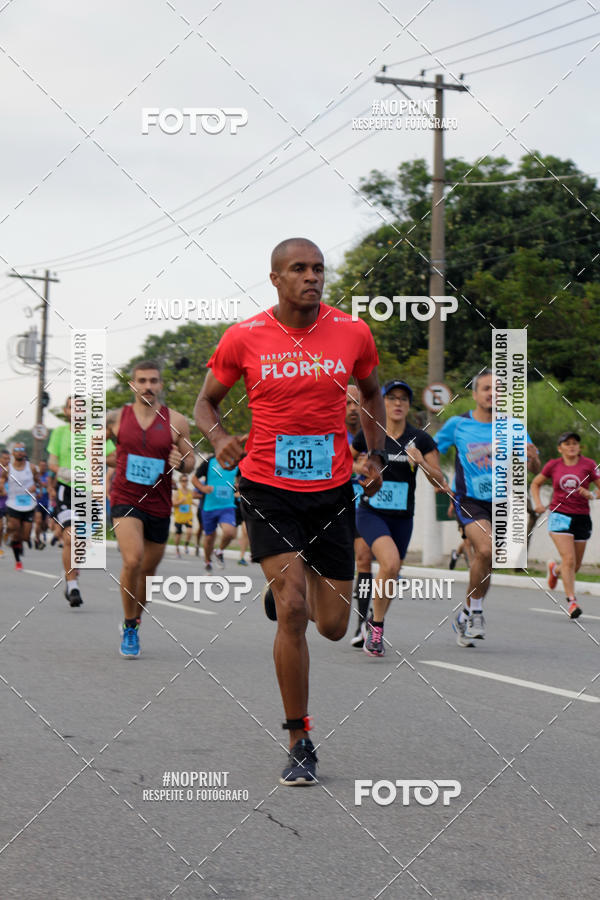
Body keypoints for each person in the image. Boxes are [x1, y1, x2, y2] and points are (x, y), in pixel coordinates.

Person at [194, 237, 385, 785]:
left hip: (332, 490)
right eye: (299, 269)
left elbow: (372, 393)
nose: (312, 277)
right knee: (295, 609)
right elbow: (205, 401)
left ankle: (285, 589)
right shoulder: (244, 336)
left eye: (318, 268)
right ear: (275, 278)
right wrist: (220, 439)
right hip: (266, 487)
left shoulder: (352, 331)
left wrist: (374, 455)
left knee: (334, 626)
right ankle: (300, 739)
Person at [435, 369, 541, 647]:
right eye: (486, 388)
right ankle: (477, 613)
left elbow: (534, 466)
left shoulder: (514, 426)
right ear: (475, 394)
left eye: (498, 389)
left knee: (489, 561)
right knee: (485, 549)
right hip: (469, 500)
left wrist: (532, 459)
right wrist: (437, 478)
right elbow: (432, 450)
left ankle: (466, 615)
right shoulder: (458, 425)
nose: (493, 393)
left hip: (503, 502)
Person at [352, 380, 450, 656]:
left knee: (392, 572)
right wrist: (361, 467)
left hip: (403, 518)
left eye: (403, 399)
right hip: (371, 512)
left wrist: (422, 463)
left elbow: (439, 481)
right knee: (390, 562)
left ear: (408, 406)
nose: (397, 403)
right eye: (392, 397)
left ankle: (375, 621)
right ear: (382, 402)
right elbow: (343, 461)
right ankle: (376, 629)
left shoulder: (420, 439)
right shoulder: (370, 434)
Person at [107, 361, 194, 658]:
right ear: (133, 385)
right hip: (125, 498)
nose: (147, 386)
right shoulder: (116, 418)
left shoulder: (177, 421)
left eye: (153, 381)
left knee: (147, 573)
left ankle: (135, 618)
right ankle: (130, 626)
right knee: (133, 560)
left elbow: (191, 461)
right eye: (142, 381)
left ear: (160, 385)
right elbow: (90, 445)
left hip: (159, 503)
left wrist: (181, 463)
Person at [531, 431, 600, 619]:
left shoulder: (588, 465)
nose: (571, 446)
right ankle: (572, 602)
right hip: (559, 516)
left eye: (575, 443)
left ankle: (555, 570)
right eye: (567, 443)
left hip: (582, 517)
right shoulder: (553, 465)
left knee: (574, 566)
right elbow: (535, 484)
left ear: (579, 447)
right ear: (560, 448)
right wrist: (538, 503)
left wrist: (591, 495)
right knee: (569, 559)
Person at [46, 398, 85, 605]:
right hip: (67, 491)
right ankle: (73, 586)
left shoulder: (96, 434)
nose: (76, 411)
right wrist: (66, 472)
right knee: (71, 537)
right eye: (72, 407)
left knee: (81, 543)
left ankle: (71, 572)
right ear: (66, 411)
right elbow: (52, 463)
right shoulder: (59, 433)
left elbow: (114, 457)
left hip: (90, 493)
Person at [346, 384, 375, 648]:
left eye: (358, 403)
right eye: (347, 403)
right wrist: (356, 466)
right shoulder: (330, 434)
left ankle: (362, 621)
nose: (353, 409)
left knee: (364, 560)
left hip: (365, 508)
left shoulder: (374, 434)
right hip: (332, 509)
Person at [0, 444, 41, 570]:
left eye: (22, 450)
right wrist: (2, 489)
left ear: (24, 453)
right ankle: (18, 561)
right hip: (13, 504)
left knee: (26, 536)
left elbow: (38, 482)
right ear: (13, 453)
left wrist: (37, 488)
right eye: (17, 450)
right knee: (16, 530)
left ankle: (14, 540)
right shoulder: (8, 469)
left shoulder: (32, 468)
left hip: (28, 504)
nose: (19, 452)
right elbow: (2, 481)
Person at [195, 453, 238, 571]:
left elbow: (241, 480)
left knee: (230, 533)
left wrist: (239, 488)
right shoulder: (210, 461)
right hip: (209, 506)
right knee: (209, 538)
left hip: (227, 506)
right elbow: (194, 478)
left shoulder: (236, 461)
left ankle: (219, 551)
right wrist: (203, 488)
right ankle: (207, 561)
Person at [172, 473, 195, 557]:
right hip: (179, 517)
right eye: (183, 481)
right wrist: (180, 501)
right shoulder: (177, 493)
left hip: (188, 516)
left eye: (186, 481)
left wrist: (195, 504)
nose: (185, 482)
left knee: (189, 532)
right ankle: (177, 549)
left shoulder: (190, 492)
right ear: (180, 482)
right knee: (178, 534)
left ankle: (186, 545)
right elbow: (173, 503)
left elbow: (190, 500)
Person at [34, 459, 51, 549]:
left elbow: (50, 486)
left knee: (45, 525)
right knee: (38, 521)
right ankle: (37, 539)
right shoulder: (35, 476)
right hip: (37, 502)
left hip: (46, 503)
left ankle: (42, 533)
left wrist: (47, 485)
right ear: (39, 466)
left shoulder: (48, 476)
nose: (43, 467)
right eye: (41, 466)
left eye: (44, 466)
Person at [0, 448, 9, 556]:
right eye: (5, 458)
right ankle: (0, 547)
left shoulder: (12, 470)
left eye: (8, 459)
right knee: (1, 526)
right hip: (1, 502)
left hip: (12, 502)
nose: (7, 461)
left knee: (12, 524)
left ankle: (8, 534)